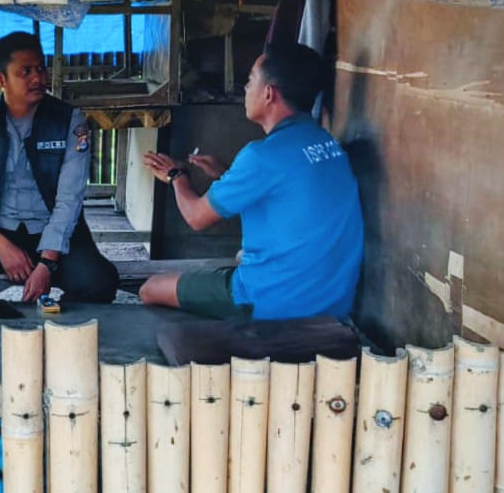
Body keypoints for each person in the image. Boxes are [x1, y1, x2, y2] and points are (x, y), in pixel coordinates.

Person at [138, 43, 363, 321]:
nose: (246, 88)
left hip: (275, 300)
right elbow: (283, 196)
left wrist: (176, 175)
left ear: (269, 93)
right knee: (240, 256)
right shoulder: (326, 142)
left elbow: (196, 217)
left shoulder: (261, 155)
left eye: (250, 80)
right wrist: (226, 174)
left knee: (151, 288)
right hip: (333, 300)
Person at [0, 31, 119, 303]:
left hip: (54, 235)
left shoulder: (68, 121)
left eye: (41, 68)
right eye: (25, 71)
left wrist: (47, 262)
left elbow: (69, 199)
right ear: (0, 79)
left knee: (100, 281)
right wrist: (3, 247)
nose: (37, 78)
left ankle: (53, 324)